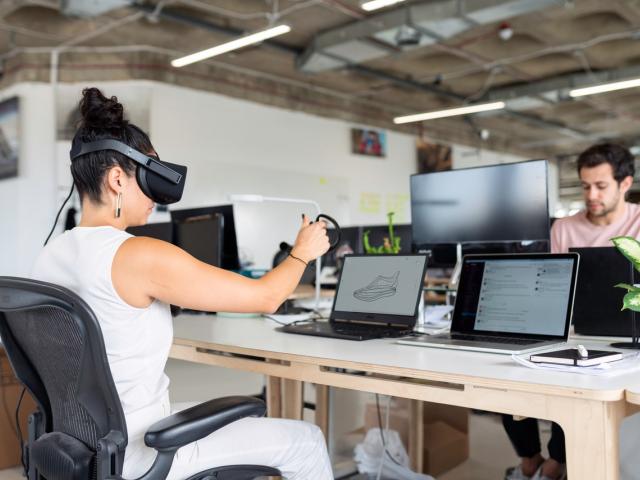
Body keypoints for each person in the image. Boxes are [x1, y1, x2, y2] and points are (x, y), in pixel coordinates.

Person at [31, 88, 333, 480]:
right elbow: (268, 296)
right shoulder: (138, 255)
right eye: (148, 174)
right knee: (306, 440)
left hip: (83, 445)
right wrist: (302, 253)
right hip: (141, 450)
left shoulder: (48, 256)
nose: (157, 195)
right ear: (118, 179)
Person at [503, 143, 639, 480]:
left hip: (629, 340)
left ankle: (554, 466)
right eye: (585, 185)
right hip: (575, 333)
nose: (591, 194)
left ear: (625, 184)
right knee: (508, 374)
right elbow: (554, 288)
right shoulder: (563, 228)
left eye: (601, 185)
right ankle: (532, 460)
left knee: (581, 389)